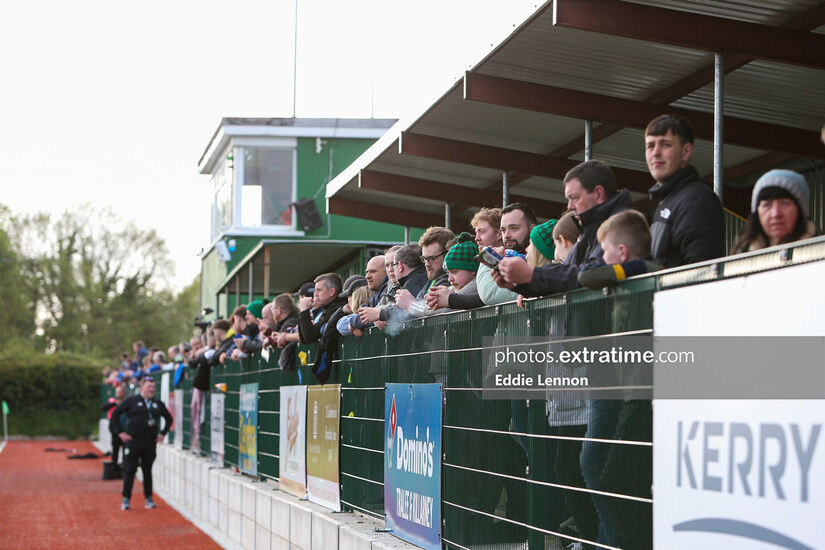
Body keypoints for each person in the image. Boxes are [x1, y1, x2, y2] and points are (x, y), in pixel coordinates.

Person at [497, 160, 632, 296]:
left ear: (598, 193)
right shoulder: (588, 232)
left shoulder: (621, 226)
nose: (570, 206)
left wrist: (532, 274)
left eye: (575, 198)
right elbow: (568, 281)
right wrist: (519, 283)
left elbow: (590, 275)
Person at [644, 114, 725, 267]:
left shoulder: (698, 201)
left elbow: (701, 272)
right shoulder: (667, 201)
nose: (655, 153)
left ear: (686, 151)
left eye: (665, 144)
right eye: (650, 146)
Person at [109, 375, 172, 510]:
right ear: (142, 387)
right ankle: (126, 498)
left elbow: (169, 419)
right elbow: (115, 415)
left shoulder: (157, 403)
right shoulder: (131, 401)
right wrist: (120, 433)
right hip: (133, 442)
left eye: (153, 387)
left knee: (147, 471)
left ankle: (148, 498)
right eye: (149, 386)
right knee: (130, 470)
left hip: (150, 443)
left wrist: (162, 434)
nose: (152, 389)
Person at [732, 169, 818, 253]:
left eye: (784, 203)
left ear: (800, 210)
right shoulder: (740, 256)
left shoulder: (818, 253)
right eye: (767, 205)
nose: (776, 214)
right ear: (757, 212)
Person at [578, 210, 661, 289]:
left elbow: (585, 275)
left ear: (622, 252)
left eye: (604, 251)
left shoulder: (639, 267)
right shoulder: (650, 266)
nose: (602, 257)